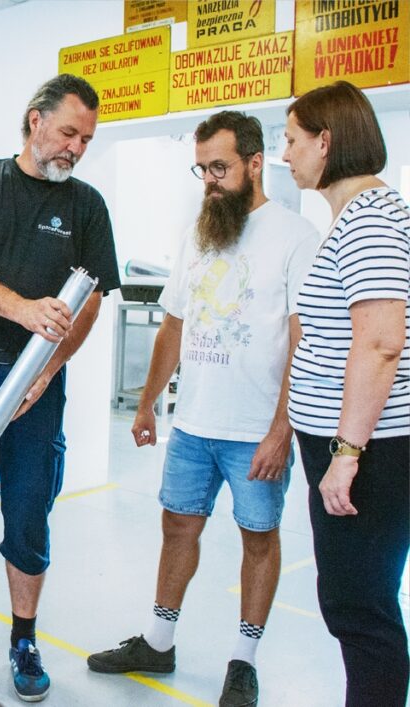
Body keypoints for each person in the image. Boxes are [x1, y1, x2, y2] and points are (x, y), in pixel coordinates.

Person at [85, 111, 319, 706]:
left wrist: (280, 429)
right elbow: (175, 324)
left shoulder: (295, 236)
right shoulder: (198, 232)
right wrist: (146, 403)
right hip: (192, 424)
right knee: (177, 527)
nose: (210, 180)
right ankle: (159, 642)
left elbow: (302, 339)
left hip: (254, 430)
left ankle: (243, 661)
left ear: (255, 163)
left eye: (221, 168)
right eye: (202, 169)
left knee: (258, 539)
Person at [0, 74, 120, 702]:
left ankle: (23, 638)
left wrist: (46, 368)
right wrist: (22, 310)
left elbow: (89, 302)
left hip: (38, 389)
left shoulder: (87, 205)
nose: (75, 147)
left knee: (29, 516)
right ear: (35, 120)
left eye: (86, 139)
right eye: (68, 132)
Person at [283, 80, 409, 707]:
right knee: (356, 601)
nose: (285, 155)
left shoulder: (370, 221)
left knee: (360, 608)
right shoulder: (365, 217)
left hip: (371, 450)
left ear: (325, 141)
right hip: (359, 445)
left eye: (291, 140)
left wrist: (347, 451)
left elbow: (383, 341)